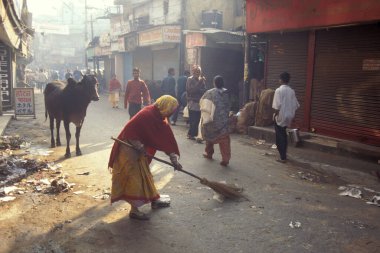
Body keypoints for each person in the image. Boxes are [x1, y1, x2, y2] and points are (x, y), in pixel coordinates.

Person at [108, 95, 182, 220]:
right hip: (128, 148)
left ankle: (154, 199)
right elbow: (130, 132)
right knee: (135, 179)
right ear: (165, 107)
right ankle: (134, 210)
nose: (171, 113)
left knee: (145, 175)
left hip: (138, 149)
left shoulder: (160, 117)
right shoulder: (147, 114)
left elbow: (166, 140)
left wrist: (174, 159)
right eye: (171, 110)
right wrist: (140, 146)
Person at [200, 75, 231, 166]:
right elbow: (229, 105)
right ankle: (225, 158)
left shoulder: (209, 92)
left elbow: (202, 102)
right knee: (224, 139)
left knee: (208, 136)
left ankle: (209, 153)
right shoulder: (226, 93)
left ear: (214, 83)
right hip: (223, 120)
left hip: (211, 120)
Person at [272, 72, 300, 163]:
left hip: (281, 115)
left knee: (280, 136)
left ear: (281, 80)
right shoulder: (292, 91)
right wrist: (293, 116)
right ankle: (283, 155)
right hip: (289, 116)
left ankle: (282, 157)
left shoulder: (278, 90)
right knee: (283, 134)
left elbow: (277, 106)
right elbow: (295, 105)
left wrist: (275, 115)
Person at [186, 65, 206, 140]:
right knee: (193, 119)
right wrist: (199, 84)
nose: (198, 73)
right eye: (196, 71)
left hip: (199, 102)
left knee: (198, 119)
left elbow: (204, 90)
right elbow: (190, 90)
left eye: (199, 72)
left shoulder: (201, 79)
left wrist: (200, 89)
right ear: (193, 72)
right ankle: (191, 134)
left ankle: (194, 134)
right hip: (192, 102)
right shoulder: (190, 79)